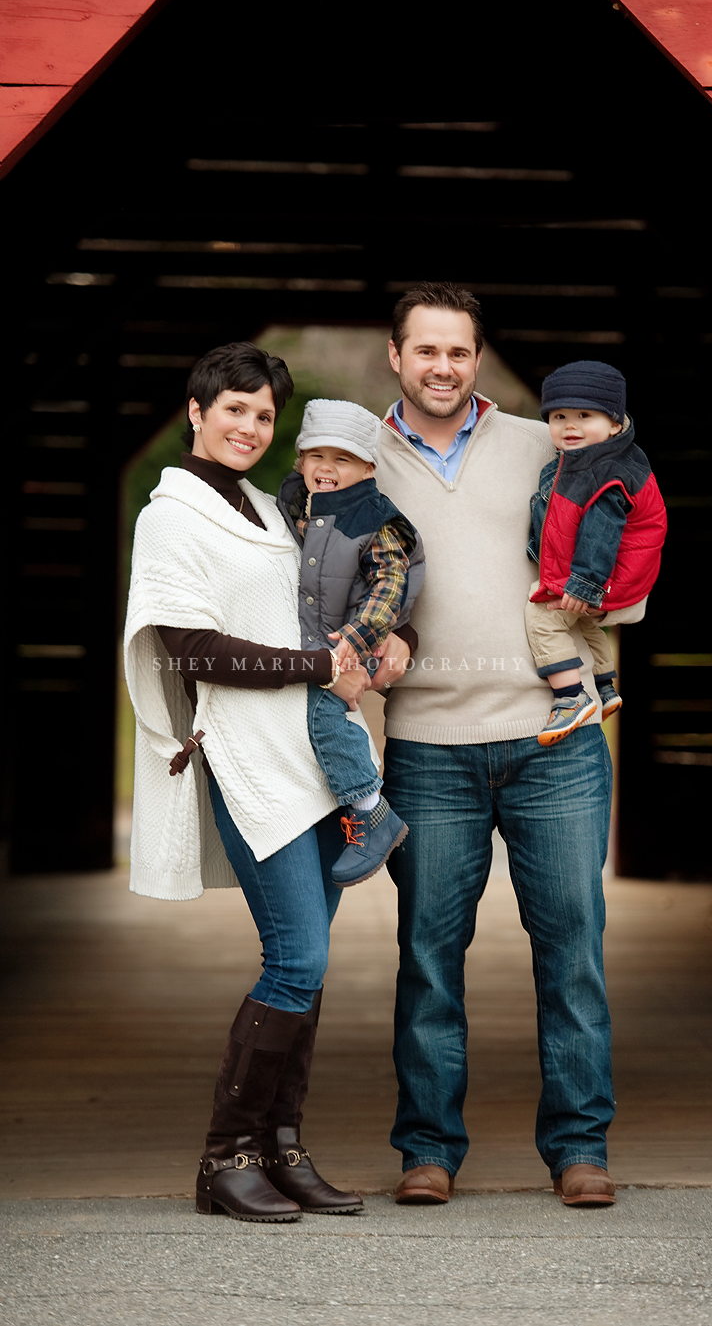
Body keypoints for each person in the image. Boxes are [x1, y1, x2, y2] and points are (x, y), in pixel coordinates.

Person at [124, 342, 383, 1223]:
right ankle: (225, 1154)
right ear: (196, 412)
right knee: (296, 957)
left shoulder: (274, 513)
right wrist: (319, 664)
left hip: (315, 758)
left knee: (308, 970)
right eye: (233, 408)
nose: (248, 426)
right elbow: (188, 648)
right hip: (245, 755)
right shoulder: (171, 517)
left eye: (264, 414)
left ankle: (283, 1148)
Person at [376, 283, 618, 1208]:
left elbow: (627, 517)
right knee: (430, 957)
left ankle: (580, 1147)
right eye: (426, 350)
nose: (444, 366)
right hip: (426, 746)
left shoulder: (541, 440)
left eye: (460, 352)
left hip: (553, 738)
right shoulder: (359, 456)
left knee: (573, 949)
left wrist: (608, 604)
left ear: (478, 358)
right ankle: (428, 1148)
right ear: (395, 355)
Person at [275, 398, 424, 887]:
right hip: (319, 642)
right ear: (300, 461)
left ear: (367, 468)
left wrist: (356, 641)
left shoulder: (373, 517)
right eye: (316, 456)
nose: (327, 468)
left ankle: (370, 810)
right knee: (319, 719)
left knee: (324, 715)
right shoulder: (297, 506)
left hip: (351, 639)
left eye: (342, 459)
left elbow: (389, 585)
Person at [525, 360, 667, 746]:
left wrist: (584, 584)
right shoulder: (598, 459)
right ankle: (605, 685)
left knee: (542, 617)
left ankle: (570, 696)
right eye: (558, 416)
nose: (569, 426)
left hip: (608, 575)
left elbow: (601, 532)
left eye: (584, 415)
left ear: (615, 424)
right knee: (584, 623)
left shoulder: (604, 473)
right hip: (615, 575)